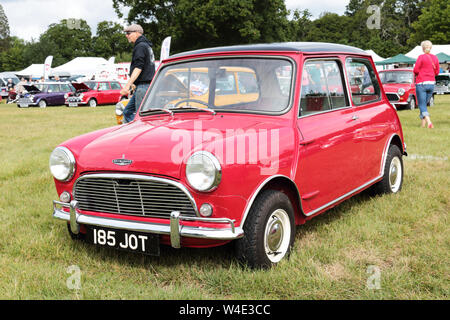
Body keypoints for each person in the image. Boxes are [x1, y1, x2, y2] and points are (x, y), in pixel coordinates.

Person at [120, 24, 155, 123]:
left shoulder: (140, 46)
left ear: (137, 33)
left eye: (128, 33)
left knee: (142, 119)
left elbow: (138, 68)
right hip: (143, 86)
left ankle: (141, 134)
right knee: (127, 112)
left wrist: (127, 86)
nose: (127, 35)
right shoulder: (146, 46)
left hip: (143, 87)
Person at [413, 40, 439, 129]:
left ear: (423, 48)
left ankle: (429, 122)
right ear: (430, 48)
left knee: (421, 105)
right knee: (424, 104)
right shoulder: (435, 58)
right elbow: (437, 72)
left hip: (421, 83)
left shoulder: (421, 57)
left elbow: (415, 70)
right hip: (431, 83)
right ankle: (423, 125)